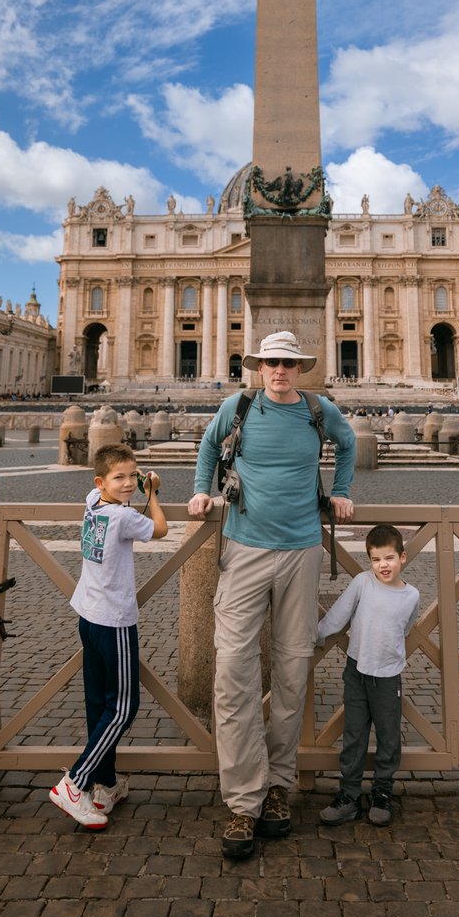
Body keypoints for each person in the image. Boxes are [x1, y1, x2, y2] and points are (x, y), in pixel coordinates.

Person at [188, 330, 356, 860]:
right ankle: (244, 799)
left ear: (299, 368)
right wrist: (202, 488)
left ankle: (279, 786)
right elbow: (209, 446)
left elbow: (348, 445)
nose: (279, 371)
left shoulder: (317, 409)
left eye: (288, 363)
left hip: (303, 549)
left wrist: (343, 491)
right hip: (243, 548)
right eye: (270, 363)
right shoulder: (237, 407)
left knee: (292, 668)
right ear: (257, 366)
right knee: (233, 670)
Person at [49, 446, 167, 830]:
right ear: (102, 481)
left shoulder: (93, 503)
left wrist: (125, 484)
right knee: (123, 708)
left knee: (99, 703)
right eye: (121, 477)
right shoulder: (121, 516)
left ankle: (106, 785)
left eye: (133, 476)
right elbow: (160, 529)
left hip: (87, 614)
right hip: (114, 621)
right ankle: (75, 783)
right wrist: (152, 493)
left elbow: (109, 491)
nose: (129, 483)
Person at [316, 524, 420, 828]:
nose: (382, 566)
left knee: (388, 738)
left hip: (388, 677)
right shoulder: (362, 583)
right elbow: (339, 614)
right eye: (375, 560)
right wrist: (318, 635)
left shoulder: (412, 595)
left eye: (388, 558)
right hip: (357, 671)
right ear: (369, 562)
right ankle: (348, 796)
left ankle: (382, 793)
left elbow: (406, 628)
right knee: (354, 736)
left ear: (402, 557)